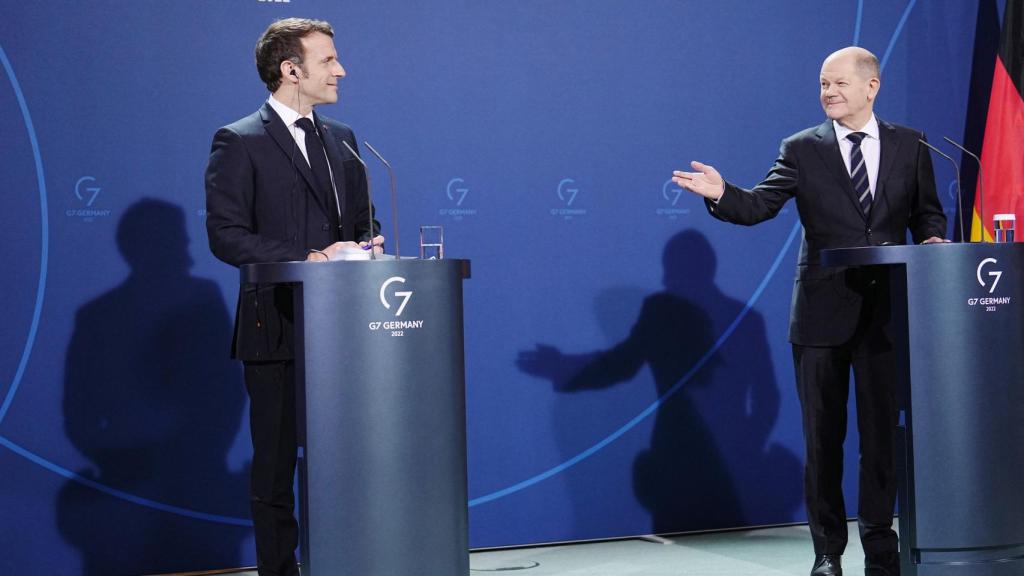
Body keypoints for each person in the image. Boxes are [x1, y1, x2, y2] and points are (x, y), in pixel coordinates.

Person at [672, 46, 947, 576]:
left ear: (872, 87)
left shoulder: (911, 145)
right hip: (821, 315)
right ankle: (827, 552)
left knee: (881, 439)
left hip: (886, 315)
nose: (828, 93)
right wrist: (721, 192)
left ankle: (880, 547)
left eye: (840, 84)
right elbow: (758, 206)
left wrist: (933, 238)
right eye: (823, 84)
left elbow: (927, 213)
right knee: (824, 438)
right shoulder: (801, 148)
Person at [205, 17, 382, 576]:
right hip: (276, 328)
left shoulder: (345, 142)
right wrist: (308, 259)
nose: (341, 70)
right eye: (329, 60)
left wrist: (367, 244)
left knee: (346, 464)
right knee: (276, 471)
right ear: (291, 70)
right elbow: (227, 235)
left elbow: (359, 222)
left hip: (344, 329)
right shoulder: (240, 140)